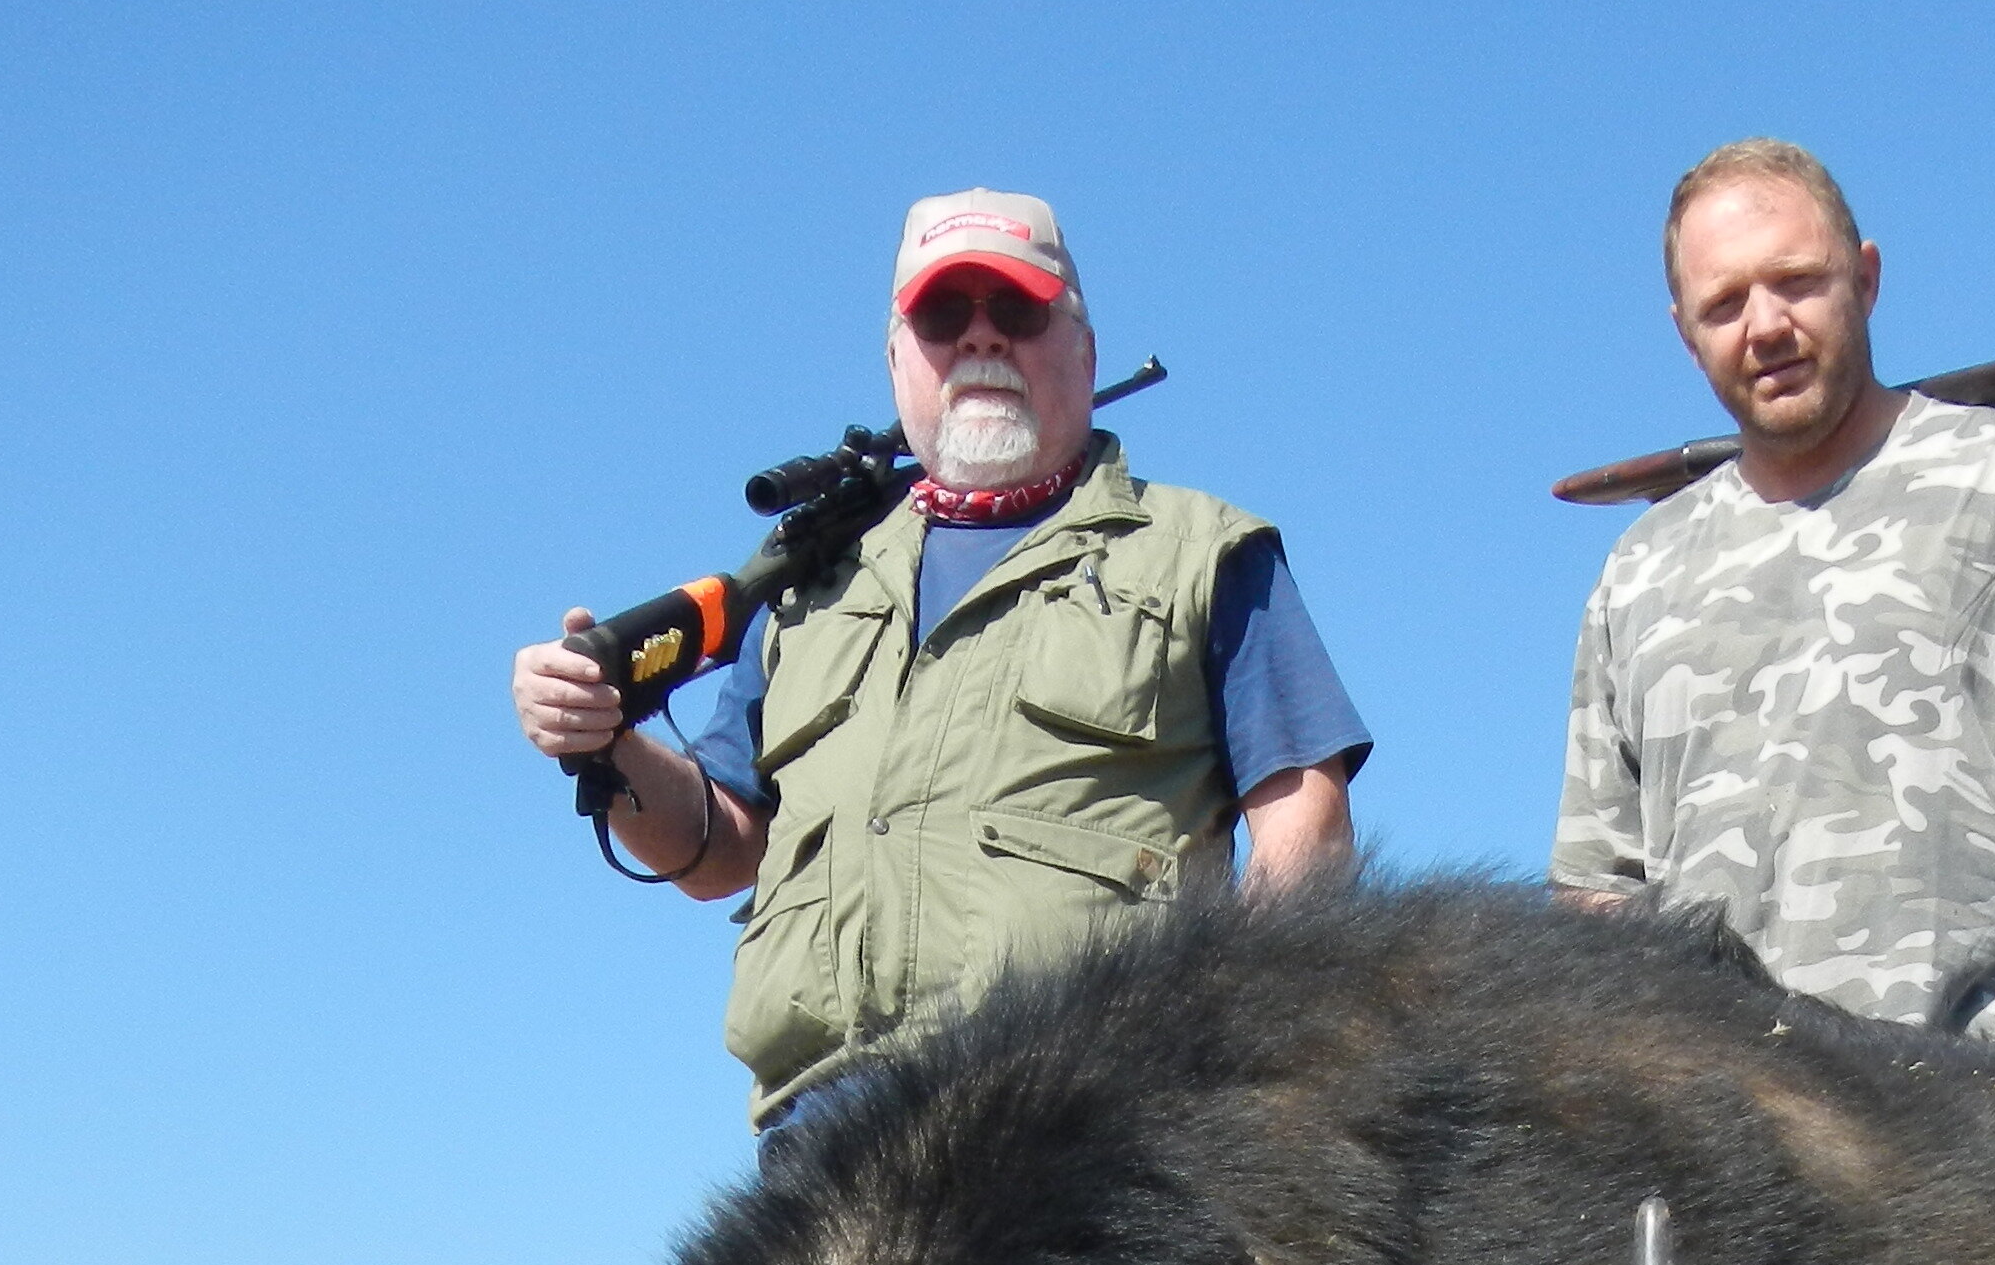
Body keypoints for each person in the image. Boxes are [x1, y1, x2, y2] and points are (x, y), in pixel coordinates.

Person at [515, 191, 1371, 1133]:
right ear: (896, 358)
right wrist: (610, 737)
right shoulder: (806, 595)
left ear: (1083, 352)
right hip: (824, 1144)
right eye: (941, 316)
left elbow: (1307, 835)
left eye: (1016, 310)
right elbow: (715, 854)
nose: (980, 340)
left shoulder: (1203, 552)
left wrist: (1235, 1073)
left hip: (1095, 1131)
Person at [1552, 138, 1995, 1060]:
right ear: (1686, 334)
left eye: (1797, 281)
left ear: (1867, 278)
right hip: (1734, 1157)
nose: (1765, 325)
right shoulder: (1638, 568)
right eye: (1724, 304)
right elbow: (1597, 899)